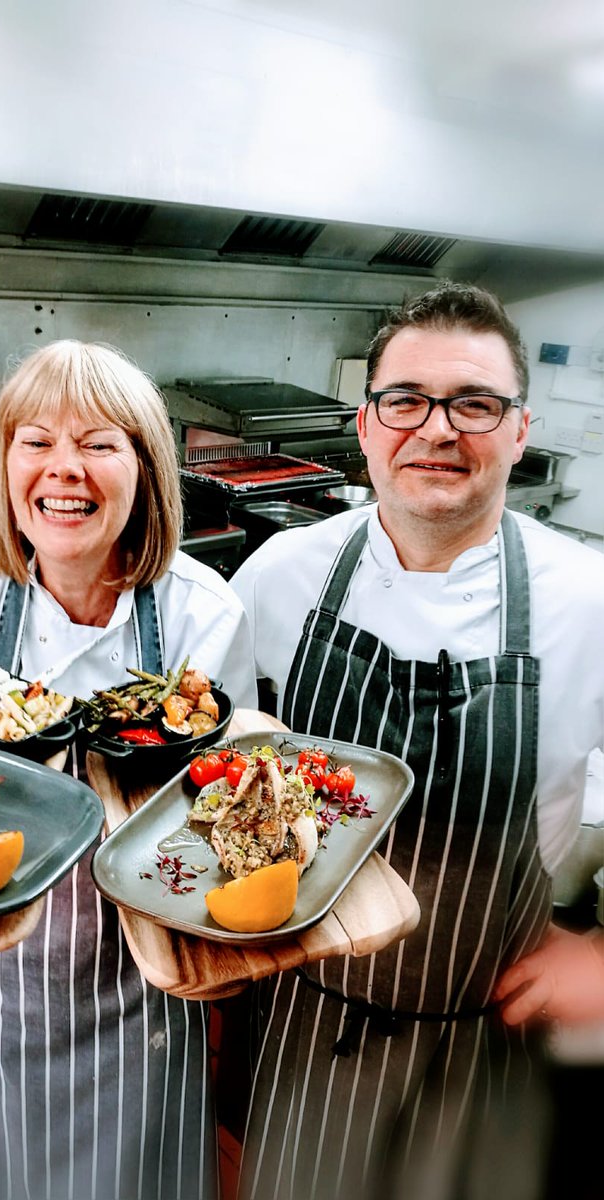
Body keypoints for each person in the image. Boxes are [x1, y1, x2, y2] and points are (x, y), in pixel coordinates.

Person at [229, 281, 604, 1200]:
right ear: (366, 425)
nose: (437, 429)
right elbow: (220, 780)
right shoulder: (283, 575)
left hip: (488, 1031)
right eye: (406, 401)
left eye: (475, 403)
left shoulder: (587, 601)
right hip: (298, 1023)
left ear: (519, 431)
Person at [0, 338, 258, 1200]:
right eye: (37, 441)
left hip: (134, 976)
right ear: (7, 462)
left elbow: (214, 809)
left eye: (100, 443)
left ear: (146, 467)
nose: (67, 470)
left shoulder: (205, 610)